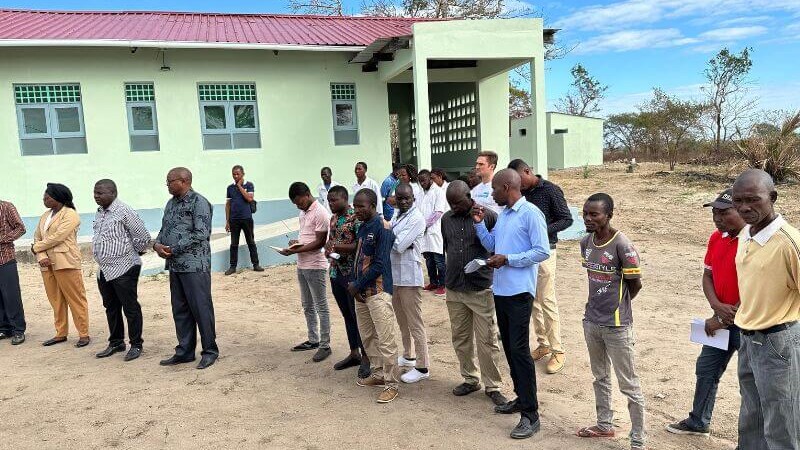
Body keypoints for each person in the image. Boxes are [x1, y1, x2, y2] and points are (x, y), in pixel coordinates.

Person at [473, 169, 549, 439]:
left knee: (519, 351)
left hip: (519, 292)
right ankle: (520, 397)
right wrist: (480, 224)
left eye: (494, 189)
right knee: (509, 348)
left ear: (507, 187)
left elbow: (542, 251)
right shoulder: (504, 215)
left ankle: (531, 414)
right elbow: (494, 246)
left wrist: (509, 259)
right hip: (501, 290)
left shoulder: (530, 214)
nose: (491, 194)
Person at [731, 169, 800, 450]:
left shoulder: (789, 243)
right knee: (752, 418)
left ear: (772, 197)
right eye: (738, 201)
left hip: (777, 343)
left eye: (753, 199)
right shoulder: (746, 233)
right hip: (748, 338)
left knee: (781, 424)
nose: (744, 207)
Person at [666, 189, 744, 436]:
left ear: (742, 211)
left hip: (749, 323)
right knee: (707, 369)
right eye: (714, 212)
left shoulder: (753, 242)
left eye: (724, 212)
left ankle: (756, 436)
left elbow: (757, 288)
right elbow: (708, 274)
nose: (717, 217)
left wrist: (723, 317)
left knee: (751, 380)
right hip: (721, 319)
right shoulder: (716, 238)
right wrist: (716, 307)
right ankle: (698, 421)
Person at [576, 193, 646, 450]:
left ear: (609, 215)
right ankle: (604, 426)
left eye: (594, 214)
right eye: (585, 213)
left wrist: (618, 308)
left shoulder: (622, 245)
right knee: (600, 377)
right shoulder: (585, 243)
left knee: (629, 384)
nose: (588, 218)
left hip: (617, 326)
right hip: (592, 321)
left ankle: (638, 440)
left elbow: (634, 285)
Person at [441, 180, 507, 406]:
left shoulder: (488, 216)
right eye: (450, 204)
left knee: (487, 340)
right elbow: (447, 249)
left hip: (480, 288)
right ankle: (470, 378)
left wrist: (484, 263)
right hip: (454, 287)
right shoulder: (446, 219)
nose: (453, 208)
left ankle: (493, 385)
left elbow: (497, 248)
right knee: (460, 337)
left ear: (469, 196)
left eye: (457, 203)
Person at [508, 159, 573, 374]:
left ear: (527, 171)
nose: (520, 186)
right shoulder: (523, 194)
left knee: (546, 300)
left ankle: (558, 350)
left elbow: (566, 219)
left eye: (520, 180)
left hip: (546, 252)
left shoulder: (551, 190)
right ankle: (543, 344)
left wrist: (540, 230)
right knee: (533, 300)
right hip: (527, 253)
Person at [154, 167, 219, 370]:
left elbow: (201, 233)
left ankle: (209, 351)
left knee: (201, 309)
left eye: (169, 181)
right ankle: (185, 351)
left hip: (194, 265)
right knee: (180, 310)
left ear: (183, 181)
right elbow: (164, 229)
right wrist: (157, 245)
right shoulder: (170, 204)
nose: (167, 185)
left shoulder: (199, 202)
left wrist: (173, 248)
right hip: (176, 266)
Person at [347, 188, 400, 403]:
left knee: (386, 339)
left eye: (361, 206)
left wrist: (357, 284)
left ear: (373, 205)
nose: (357, 209)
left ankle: (392, 383)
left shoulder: (383, 227)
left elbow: (379, 264)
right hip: (362, 293)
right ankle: (378, 374)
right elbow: (360, 258)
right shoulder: (362, 226)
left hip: (378, 291)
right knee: (368, 336)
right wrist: (356, 285)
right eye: (355, 205)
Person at [92, 179, 152, 362]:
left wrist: (132, 252)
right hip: (104, 269)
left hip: (124, 267)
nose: (96, 196)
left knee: (130, 307)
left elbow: (143, 236)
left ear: (113, 193)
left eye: (100, 193)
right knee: (111, 306)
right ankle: (117, 342)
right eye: (94, 192)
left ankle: (136, 344)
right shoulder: (100, 212)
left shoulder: (124, 211)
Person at [33, 183, 91, 348]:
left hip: (66, 262)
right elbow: (37, 237)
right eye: (44, 196)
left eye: (47, 196)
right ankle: (60, 333)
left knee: (76, 299)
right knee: (56, 300)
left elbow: (58, 237)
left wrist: (36, 248)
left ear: (58, 197)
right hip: (46, 264)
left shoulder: (70, 214)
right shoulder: (45, 216)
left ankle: (83, 334)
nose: (44, 199)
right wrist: (41, 255)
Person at [281, 182, 332, 363]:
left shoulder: (321, 213)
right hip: (302, 264)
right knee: (307, 305)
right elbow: (307, 236)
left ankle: (325, 344)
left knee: (321, 306)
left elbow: (319, 242)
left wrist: (296, 250)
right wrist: (297, 242)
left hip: (316, 265)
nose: (298, 206)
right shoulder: (303, 213)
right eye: (295, 203)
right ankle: (313, 339)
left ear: (307, 194)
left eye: (299, 202)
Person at [325, 185, 370, 377]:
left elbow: (358, 245)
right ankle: (354, 352)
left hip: (352, 274)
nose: (331, 203)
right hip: (335, 273)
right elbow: (331, 240)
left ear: (344, 199)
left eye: (334, 200)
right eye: (329, 201)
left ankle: (367, 357)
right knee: (346, 315)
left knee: (358, 317)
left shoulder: (355, 218)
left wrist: (338, 247)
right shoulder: (333, 218)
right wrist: (329, 247)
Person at [390, 183, 430, 384]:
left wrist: (387, 232)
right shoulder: (397, 214)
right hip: (395, 275)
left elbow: (399, 245)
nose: (403, 201)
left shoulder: (417, 218)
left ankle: (422, 366)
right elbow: (395, 239)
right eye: (400, 198)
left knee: (415, 322)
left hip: (409, 276)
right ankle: (408, 355)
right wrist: (390, 233)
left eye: (407, 198)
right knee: (401, 319)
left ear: (413, 198)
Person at [225, 165, 262, 275]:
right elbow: (228, 205)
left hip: (247, 219)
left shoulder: (249, 185)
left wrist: (240, 186)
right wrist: (227, 221)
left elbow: (249, 198)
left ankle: (256, 264)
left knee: (251, 241)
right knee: (234, 244)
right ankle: (232, 267)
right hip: (234, 220)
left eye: (238, 174)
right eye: (234, 174)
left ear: (243, 174)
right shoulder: (230, 188)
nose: (235, 176)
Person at [0, 199, 26, 345]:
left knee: (11, 296)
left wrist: (3, 239)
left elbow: (20, 228)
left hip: (5, 258)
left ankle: (18, 330)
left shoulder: (6, 206)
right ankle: (4, 328)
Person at [417, 170, 448, 296]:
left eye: (424, 180)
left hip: (435, 231)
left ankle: (442, 285)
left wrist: (424, 225)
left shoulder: (438, 192)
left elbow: (438, 213)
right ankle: (433, 282)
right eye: (420, 181)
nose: (422, 183)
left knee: (439, 261)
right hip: (424, 233)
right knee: (428, 260)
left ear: (430, 178)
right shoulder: (420, 194)